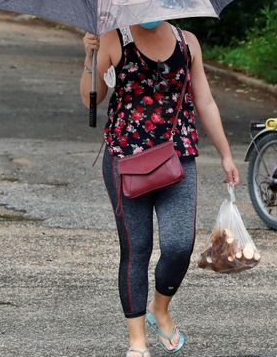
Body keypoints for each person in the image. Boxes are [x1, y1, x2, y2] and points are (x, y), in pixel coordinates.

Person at [80, 20, 239, 357]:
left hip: (177, 156)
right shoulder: (113, 40)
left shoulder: (187, 42)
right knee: (136, 249)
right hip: (125, 159)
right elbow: (89, 99)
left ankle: (160, 308)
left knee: (180, 244)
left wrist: (226, 155)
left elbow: (205, 102)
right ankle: (136, 342)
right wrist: (89, 58)